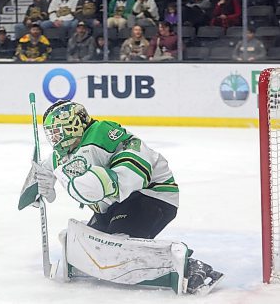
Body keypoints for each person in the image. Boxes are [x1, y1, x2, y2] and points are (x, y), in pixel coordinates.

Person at [33, 100, 224, 294]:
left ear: (74, 125)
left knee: (117, 247)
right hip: (116, 204)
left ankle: (192, 269)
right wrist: (39, 184)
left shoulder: (102, 134)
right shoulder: (63, 153)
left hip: (152, 196)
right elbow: (45, 168)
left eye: (58, 130)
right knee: (94, 248)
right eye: (51, 132)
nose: (55, 138)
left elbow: (137, 163)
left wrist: (108, 182)